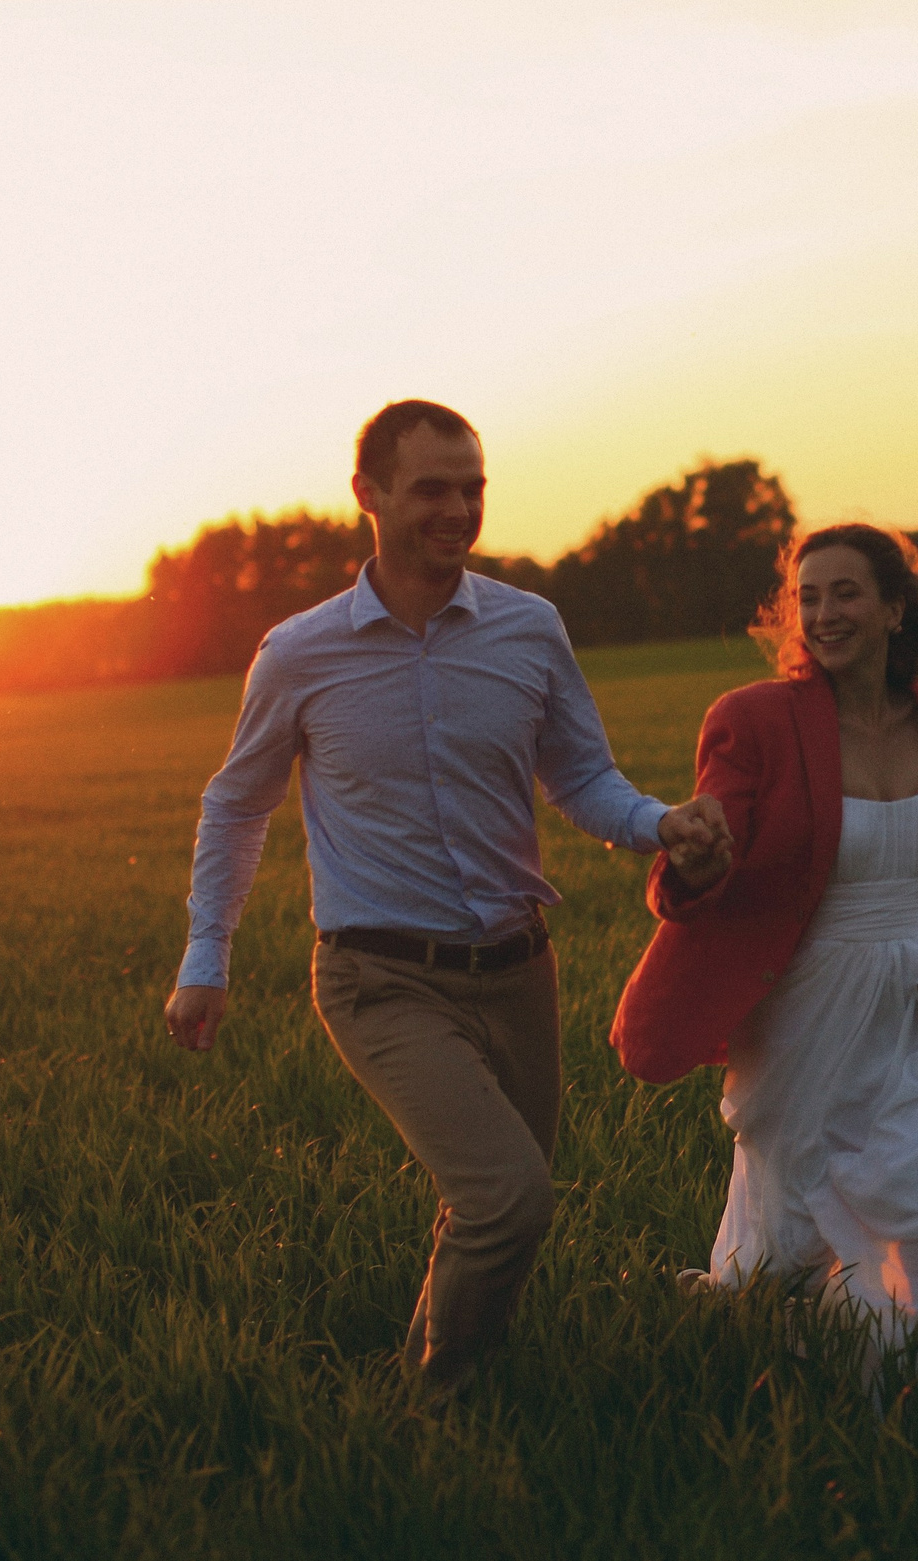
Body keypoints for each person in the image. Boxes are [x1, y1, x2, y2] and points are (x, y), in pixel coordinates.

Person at [163, 399, 731, 1394]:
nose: (457, 508)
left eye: (472, 487)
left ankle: (446, 1372)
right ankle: (438, 1402)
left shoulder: (527, 627)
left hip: (518, 971)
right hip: (378, 977)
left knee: (492, 1200)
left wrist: (659, 823)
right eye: (432, 487)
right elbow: (236, 803)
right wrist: (206, 959)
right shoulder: (300, 652)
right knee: (508, 1197)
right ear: (369, 495)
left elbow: (582, 778)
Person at [609, 523, 918, 1380]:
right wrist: (697, 858)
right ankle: (754, 1335)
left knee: (916, 1199)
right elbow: (700, 862)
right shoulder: (756, 720)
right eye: (808, 598)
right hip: (807, 1001)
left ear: (895, 609)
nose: (823, 613)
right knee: (793, 1224)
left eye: (845, 593)